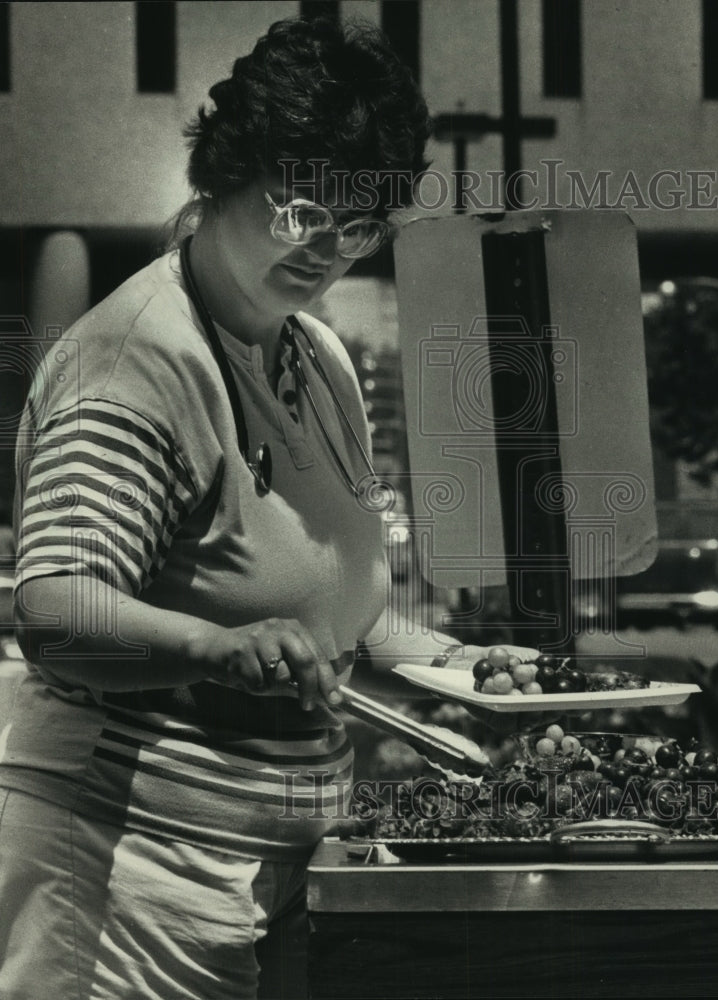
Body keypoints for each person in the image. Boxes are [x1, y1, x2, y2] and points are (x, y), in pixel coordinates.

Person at [0, 17, 538, 1000]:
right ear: (224, 172)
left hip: (275, 868)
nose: (327, 248)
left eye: (360, 225)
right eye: (300, 209)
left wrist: (455, 662)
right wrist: (215, 645)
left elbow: (332, 607)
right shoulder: (136, 364)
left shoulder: (316, 353)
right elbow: (54, 610)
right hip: (125, 883)